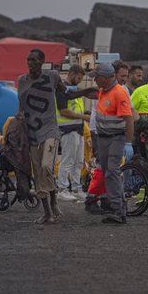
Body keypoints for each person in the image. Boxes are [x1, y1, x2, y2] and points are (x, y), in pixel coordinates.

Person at [18, 49, 90, 224]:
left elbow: (66, 94)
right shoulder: (22, 81)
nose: (30, 63)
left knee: (46, 166)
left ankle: (54, 201)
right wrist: (19, 116)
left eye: (34, 60)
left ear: (42, 61)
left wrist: (88, 91)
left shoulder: (52, 76)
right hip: (32, 132)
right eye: (28, 60)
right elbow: (21, 106)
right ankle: (47, 211)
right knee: (38, 172)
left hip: (50, 130)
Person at [91, 62, 134, 224]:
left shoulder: (119, 93)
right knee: (107, 170)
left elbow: (129, 119)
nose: (95, 80)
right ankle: (116, 205)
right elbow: (92, 93)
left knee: (111, 171)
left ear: (106, 78)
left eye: (97, 77)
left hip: (116, 137)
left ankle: (117, 208)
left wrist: (128, 142)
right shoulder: (104, 90)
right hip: (104, 137)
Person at [55, 64, 91, 202]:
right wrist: (83, 117)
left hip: (78, 129)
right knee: (68, 160)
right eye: (79, 78)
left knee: (78, 161)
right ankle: (62, 189)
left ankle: (76, 188)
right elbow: (63, 111)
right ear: (71, 74)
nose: (80, 81)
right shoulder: (62, 90)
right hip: (67, 129)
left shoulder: (73, 90)